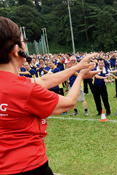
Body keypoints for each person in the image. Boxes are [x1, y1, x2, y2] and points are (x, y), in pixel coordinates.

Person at [0, 16, 99, 175]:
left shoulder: (15, 83)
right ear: (17, 50)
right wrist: (80, 76)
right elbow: (68, 103)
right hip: (29, 166)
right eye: (23, 40)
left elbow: (44, 80)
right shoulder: (23, 90)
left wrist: (76, 68)